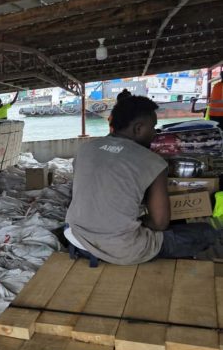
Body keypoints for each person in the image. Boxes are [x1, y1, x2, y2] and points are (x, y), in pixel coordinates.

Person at [65, 95, 218, 265]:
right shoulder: (152, 161)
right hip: (122, 249)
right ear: (138, 128)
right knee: (206, 232)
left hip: (77, 239)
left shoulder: (85, 149)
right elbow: (160, 224)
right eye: (153, 127)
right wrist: (139, 221)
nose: (154, 133)